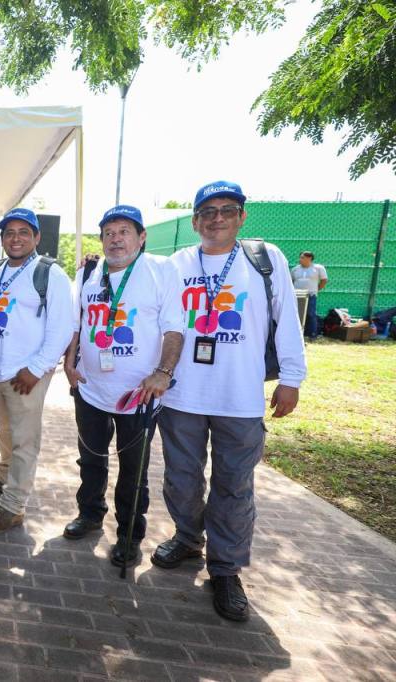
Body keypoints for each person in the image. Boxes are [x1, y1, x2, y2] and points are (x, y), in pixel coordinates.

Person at [155, 181, 306, 622]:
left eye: (227, 209)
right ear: (195, 219)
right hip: (183, 393)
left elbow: (286, 324)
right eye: (207, 211)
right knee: (181, 479)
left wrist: (291, 378)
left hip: (239, 397)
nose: (216, 218)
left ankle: (225, 569)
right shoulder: (178, 262)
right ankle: (187, 538)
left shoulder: (265, 259)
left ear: (242, 216)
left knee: (233, 487)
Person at [61, 205, 184, 567]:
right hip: (90, 389)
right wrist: (69, 361)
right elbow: (77, 322)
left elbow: (175, 328)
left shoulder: (161, 270)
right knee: (91, 459)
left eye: (124, 231)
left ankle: (130, 534)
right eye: (109, 232)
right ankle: (90, 513)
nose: (116, 239)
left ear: (141, 237)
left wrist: (163, 371)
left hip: (138, 396)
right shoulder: (87, 271)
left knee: (134, 471)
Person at [0, 208, 74, 534]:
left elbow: (62, 328)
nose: (15, 238)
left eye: (23, 232)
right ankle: (3, 477)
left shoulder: (50, 273)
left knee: (25, 441)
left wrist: (37, 369)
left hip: (25, 375)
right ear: (2, 238)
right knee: (5, 430)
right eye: (9, 233)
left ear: (36, 237)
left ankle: (13, 507)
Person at [291, 251, 328, 338]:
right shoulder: (295, 269)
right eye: (300, 257)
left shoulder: (318, 268)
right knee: (296, 314)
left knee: (311, 314)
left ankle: (312, 335)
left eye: (302, 257)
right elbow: (291, 281)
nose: (300, 259)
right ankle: (296, 334)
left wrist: (316, 289)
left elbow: (324, 280)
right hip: (297, 295)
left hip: (310, 295)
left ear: (309, 258)